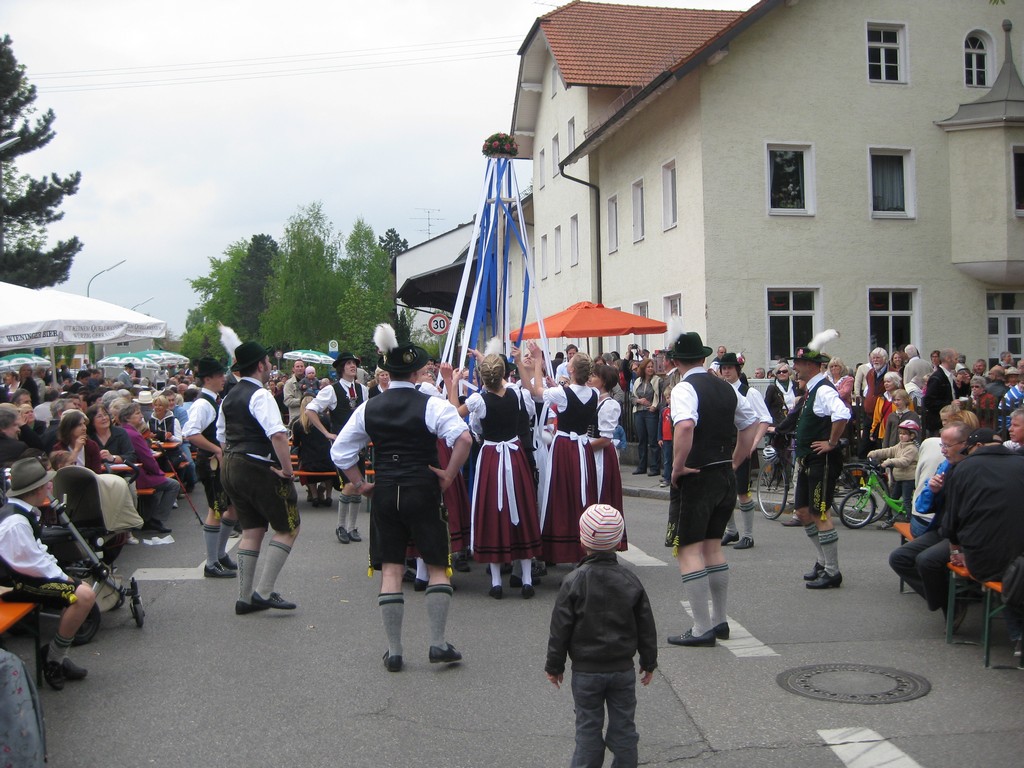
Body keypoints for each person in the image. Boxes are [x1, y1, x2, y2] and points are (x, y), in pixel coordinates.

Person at [331, 324, 471, 671]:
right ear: (415, 372)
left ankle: (394, 651)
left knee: (391, 569)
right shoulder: (432, 404)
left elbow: (340, 452)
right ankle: (438, 645)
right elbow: (464, 439)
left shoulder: (369, 408)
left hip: (386, 489)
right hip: (423, 487)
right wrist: (449, 474)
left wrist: (360, 483)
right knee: (437, 565)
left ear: (387, 373)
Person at [663, 331, 758, 647]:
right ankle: (719, 621)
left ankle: (702, 627)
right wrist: (736, 460)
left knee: (688, 550)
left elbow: (685, 426)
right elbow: (750, 424)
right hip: (724, 475)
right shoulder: (727, 388)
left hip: (696, 475)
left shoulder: (684, 388)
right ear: (703, 358)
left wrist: (677, 466)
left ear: (676, 361)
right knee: (713, 547)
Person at [545, 504, 657, 768]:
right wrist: (648, 661)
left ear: (582, 539)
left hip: (586, 671)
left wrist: (555, 665)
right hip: (622, 670)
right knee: (624, 727)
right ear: (618, 541)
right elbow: (646, 625)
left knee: (588, 728)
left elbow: (560, 628)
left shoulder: (573, 581)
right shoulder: (630, 580)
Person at [442, 350, 541, 599]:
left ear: (482, 378)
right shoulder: (518, 393)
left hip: (491, 458)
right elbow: (528, 414)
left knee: (493, 512)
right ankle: (527, 578)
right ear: (504, 375)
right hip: (516, 455)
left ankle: (496, 581)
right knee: (521, 508)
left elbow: (455, 414)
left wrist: (451, 383)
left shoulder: (478, 400)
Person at [216, 334, 300, 613]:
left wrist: (234, 458)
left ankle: (244, 597)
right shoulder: (260, 394)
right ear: (262, 366)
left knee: (252, 529)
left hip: (230, 464)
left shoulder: (229, 397)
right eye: (266, 361)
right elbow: (277, 434)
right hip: (254, 466)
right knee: (289, 527)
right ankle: (263, 592)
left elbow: (222, 437)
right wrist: (287, 470)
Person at [0, 457, 94, 691]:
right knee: (83, 596)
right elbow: (30, 565)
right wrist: (65, 579)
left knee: (82, 591)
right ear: (37, 489)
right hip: (11, 584)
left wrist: (63, 576)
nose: (49, 486)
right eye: (46, 483)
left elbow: (36, 555)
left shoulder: (22, 512)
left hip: (21, 577)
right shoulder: (15, 522)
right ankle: (53, 659)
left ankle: (56, 656)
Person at [942, 428, 1024, 653]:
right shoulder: (1020, 464)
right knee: (1014, 570)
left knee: (1005, 573)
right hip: (1018, 554)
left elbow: (951, 523)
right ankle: (1018, 636)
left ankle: (1018, 635)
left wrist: (955, 549)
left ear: (976, 447)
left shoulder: (963, 468)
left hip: (983, 559)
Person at [521, 342, 601, 566]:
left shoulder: (563, 394)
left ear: (572, 371)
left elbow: (536, 392)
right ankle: (585, 546)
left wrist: (538, 362)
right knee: (582, 492)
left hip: (565, 446)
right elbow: (573, 394)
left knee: (560, 494)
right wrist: (556, 386)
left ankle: (559, 549)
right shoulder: (594, 392)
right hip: (583, 447)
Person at [888, 422, 970, 624]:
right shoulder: (947, 466)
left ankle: (951, 605)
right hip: (941, 528)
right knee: (899, 557)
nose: (943, 451)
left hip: (960, 535)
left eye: (947, 446)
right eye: (941, 446)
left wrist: (956, 544)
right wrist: (933, 491)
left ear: (965, 444)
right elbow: (923, 506)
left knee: (926, 560)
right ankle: (948, 601)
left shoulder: (972, 470)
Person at [789, 331, 851, 590]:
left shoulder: (824, 390)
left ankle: (832, 571)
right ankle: (822, 561)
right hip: (808, 461)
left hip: (822, 461)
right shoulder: (812, 388)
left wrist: (832, 442)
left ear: (812, 366)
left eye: (799, 363)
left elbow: (843, 413)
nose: (795, 367)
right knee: (803, 512)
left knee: (819, 513)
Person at [183, 356, 239, 579]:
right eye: (218, 376)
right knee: (216, 509)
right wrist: (215, 449)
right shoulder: (202, 404)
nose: (223, 379)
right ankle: (211, 561)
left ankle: (220, 552)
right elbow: (190, 433)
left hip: (220, 463)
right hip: (211, 464)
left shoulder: (214, 400)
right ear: (207, 379)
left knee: (231, 507)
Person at [306, 352, 369, 544]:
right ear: (341, 368)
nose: (352, 366)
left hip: (359, 444)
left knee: (359, 486)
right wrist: (326, 433)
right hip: (342, 446)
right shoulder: (331, 390)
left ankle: (352, 527)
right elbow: (310, 411)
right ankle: (341, 526)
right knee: (351, 484)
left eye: (354, 363)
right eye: (349, 363)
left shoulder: (363, 390)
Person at [719, 353, 772, 550]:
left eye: (730, 368)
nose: (726, 371)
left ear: (737, 370)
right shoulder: (721, 390)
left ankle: (748, 535)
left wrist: (753, 443)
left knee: (742, 492)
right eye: (723, 368)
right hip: (724, 446)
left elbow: (764, 419)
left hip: (743, 446)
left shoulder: (749, 392)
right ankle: (731, 531)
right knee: (723, 491)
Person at [120, 402, 180, 534]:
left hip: (134, 472)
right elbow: (147, 458)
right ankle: (156, 519)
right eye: (137, 413)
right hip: (139, 474)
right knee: (173, 485)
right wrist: (158, 472)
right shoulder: (134, 435)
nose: (141, 416)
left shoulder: (123, 431)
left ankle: (148, 516)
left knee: (159, 487)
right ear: (127, 417)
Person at [868, 419, 920, 527]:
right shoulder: (900, 445)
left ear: (912, 436)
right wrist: (874, 453)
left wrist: (889, 462)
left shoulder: (912, 448)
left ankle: (910, 521)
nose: (901, 436)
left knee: (906, 500)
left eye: (904, 434)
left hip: (908, 478)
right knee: (893, 499)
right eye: (900, 433)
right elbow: (889, 451)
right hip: (899, 478)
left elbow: (904, 461)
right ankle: (892, 519)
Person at [291, 395, 337, 508]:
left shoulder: (298, 423)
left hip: (308, 460)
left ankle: (315, 496)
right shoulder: (325, 419)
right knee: (329, 473)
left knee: (305, 465)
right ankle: (328, 495)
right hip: (326, 459)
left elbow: (295, 444)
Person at [629, 358, 662, 477]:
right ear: (643, 368)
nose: (650, 369)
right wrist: (639, 400)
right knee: (641, 441)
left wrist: (654, 406)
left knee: (653, 441)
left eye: (652, 366)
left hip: (651, 413)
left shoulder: (657, 380)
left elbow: (660, 397)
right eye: (648, 367)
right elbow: (631, 397)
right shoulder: (638, 381)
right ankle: (641, 466)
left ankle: (655, 467)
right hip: (639, 412)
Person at [923, 348, 958, 435]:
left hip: (947, 422)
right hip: (938, 424)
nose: (957, 362)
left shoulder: (949, 376)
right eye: (955, 359)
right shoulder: (937, 378)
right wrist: (950, 403)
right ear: (947, 359)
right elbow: (929, 401)